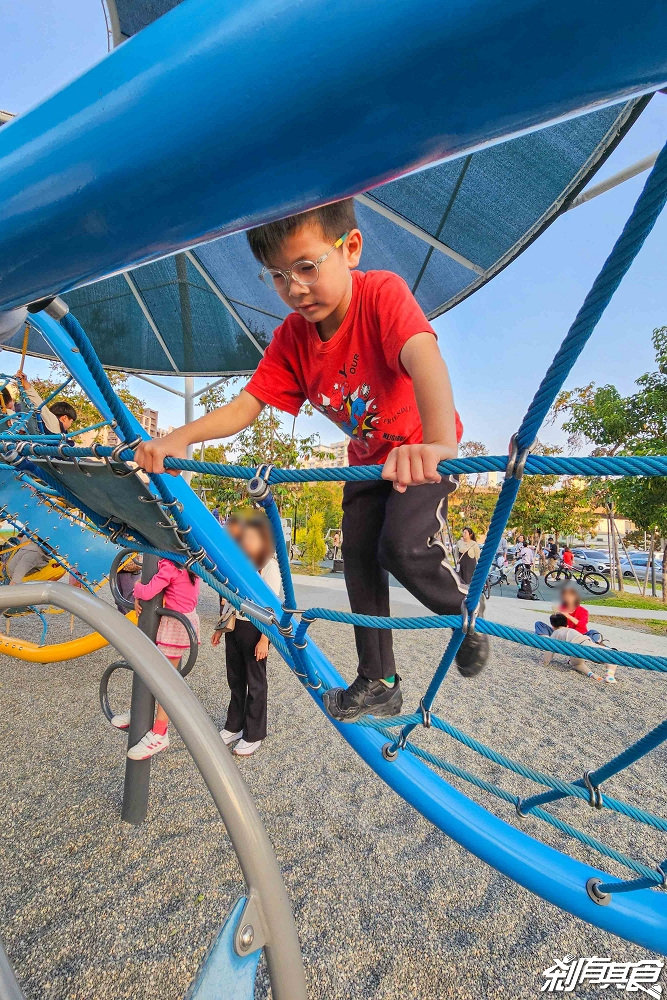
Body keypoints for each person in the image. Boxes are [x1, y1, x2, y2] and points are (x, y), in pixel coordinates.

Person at [134, 199, 489, 724]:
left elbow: (423, 355)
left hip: (419, 452)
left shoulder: (381, 295)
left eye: (306, 267)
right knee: (359, 564)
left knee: (403, 547)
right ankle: (379, 681)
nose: (295, 288)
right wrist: (179, 438)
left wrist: (438, 444)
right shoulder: (293, 338)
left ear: (350, 248)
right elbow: (246, 405)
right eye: (278, 276)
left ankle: (464, 613)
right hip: (368, 462)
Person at [114, 559, 201, 758]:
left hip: (175, 625)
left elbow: (147, 592)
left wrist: (137, 587)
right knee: (155, 672)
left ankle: (160, 732)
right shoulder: (189, 565)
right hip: (182, 622)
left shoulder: (170, 567)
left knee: (164, 680)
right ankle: (140, 712)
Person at [213, 517, 281, 756]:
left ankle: (254, 734)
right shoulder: (242, 564)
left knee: (256, 683)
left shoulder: (269, 567)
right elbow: (230, 597)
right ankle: (234, 725)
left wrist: (265, 640)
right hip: (236, 627)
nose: (246, 541)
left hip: (256, 629)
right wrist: (220, 629)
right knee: (235, 679)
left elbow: (272, 608)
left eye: (251, 537)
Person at [540, 612, 616, 683]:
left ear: (553, 626)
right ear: (567, 625)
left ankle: (592, 675)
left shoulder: (555, 634)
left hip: (575, 651)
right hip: (586, 643)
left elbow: (549, 650)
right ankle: (610, 675)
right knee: (612, 656)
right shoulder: (571, 630)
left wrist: (545, 662)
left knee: (577, 664)